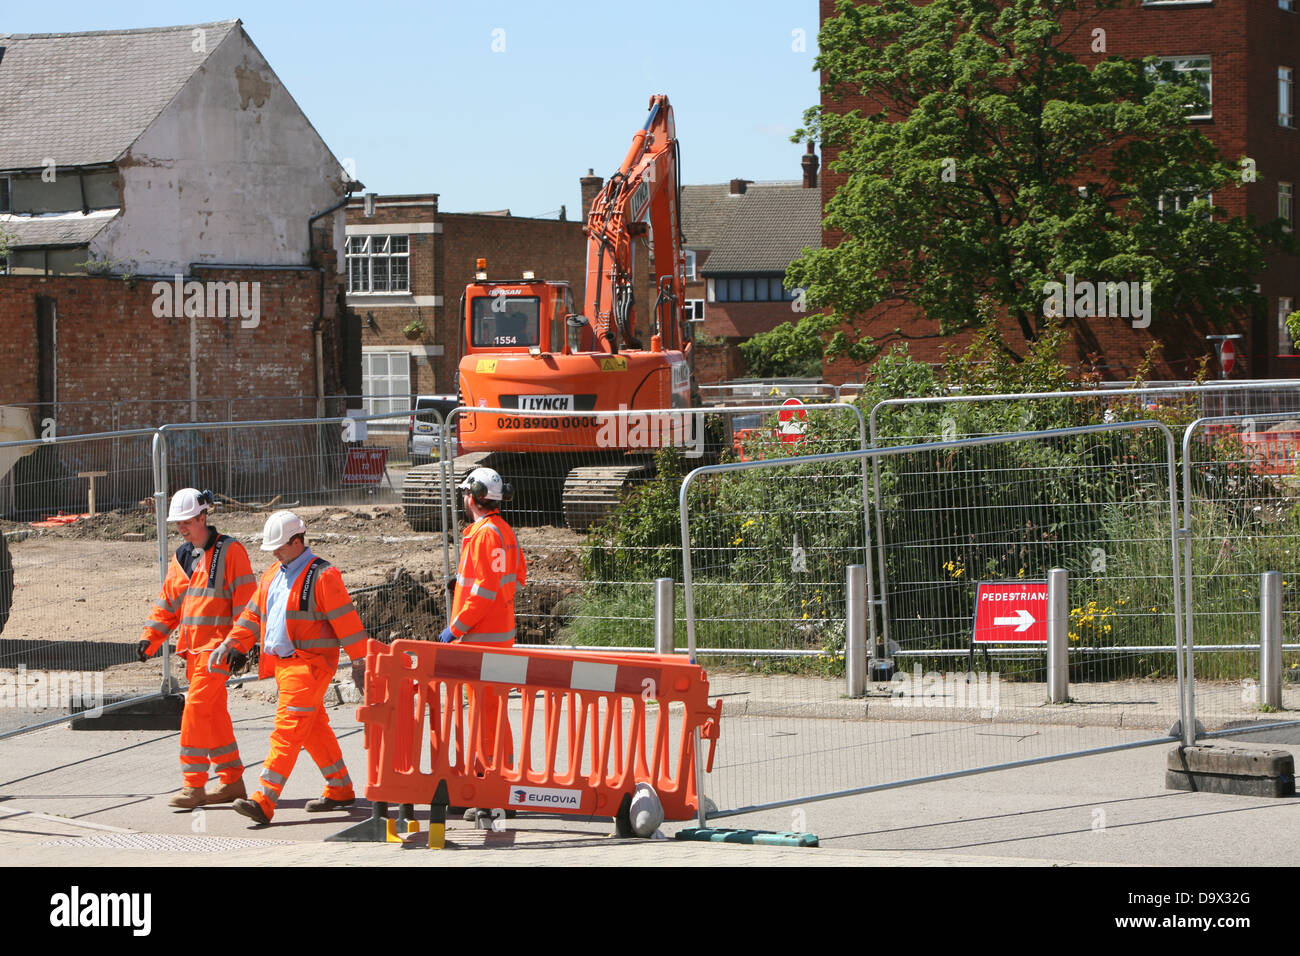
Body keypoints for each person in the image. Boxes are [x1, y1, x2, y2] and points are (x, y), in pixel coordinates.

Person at [211, 511, 369, 825]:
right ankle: (340, 788)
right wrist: (232, 643)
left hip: (310, 667)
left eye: (280, 546)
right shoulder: (273, 573)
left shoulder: (324, 575)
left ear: (298, 541)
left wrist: (360, 663)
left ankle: (264, 799)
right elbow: (253, 616)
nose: (275, 552)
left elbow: (347, 624)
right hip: (284, 667)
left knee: (286, 732)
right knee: (313, 730)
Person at [138, 488, 256, 809]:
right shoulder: (182, 556)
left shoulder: (231, 551)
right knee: (214, 715)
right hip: (192, 651)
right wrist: (151, 638)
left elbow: (248, 604)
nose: (182, 528)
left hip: (219, 650)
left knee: (195, 711)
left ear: (203, 517)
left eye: (187, 522)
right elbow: (168, 604)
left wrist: (241, 645)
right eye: (178, 523)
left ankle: (194, 786)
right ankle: (232, 782)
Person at [438, 467, 527, 825]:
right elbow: (515, 576)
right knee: (492, 716)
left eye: (464, 494)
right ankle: (488, 785)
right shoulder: (504, 532)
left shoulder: (482, 535)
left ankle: (492, 790)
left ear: (472, 498)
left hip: (480, 641)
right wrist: (462, 581)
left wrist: (454, 629)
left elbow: (484, 592)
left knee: (482, 719)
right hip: (500, 638)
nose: (462, 499)